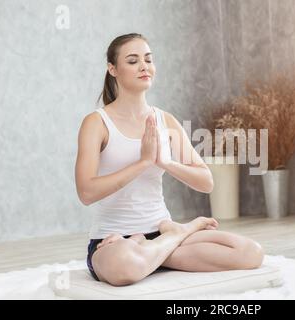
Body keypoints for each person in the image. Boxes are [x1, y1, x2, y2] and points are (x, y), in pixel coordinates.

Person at [74, 33, 264, 286]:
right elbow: (86, 192)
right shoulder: (97, 123)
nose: (144, 66)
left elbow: (206, 182)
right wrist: (142, 163)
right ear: (112, 69)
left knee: (251, 253)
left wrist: (165, 162)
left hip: (159, 229)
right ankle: (178, 234)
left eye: (148, 59)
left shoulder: (166, 120)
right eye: (132, 61)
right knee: (124, 267)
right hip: (112, 240)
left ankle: (162, 245)